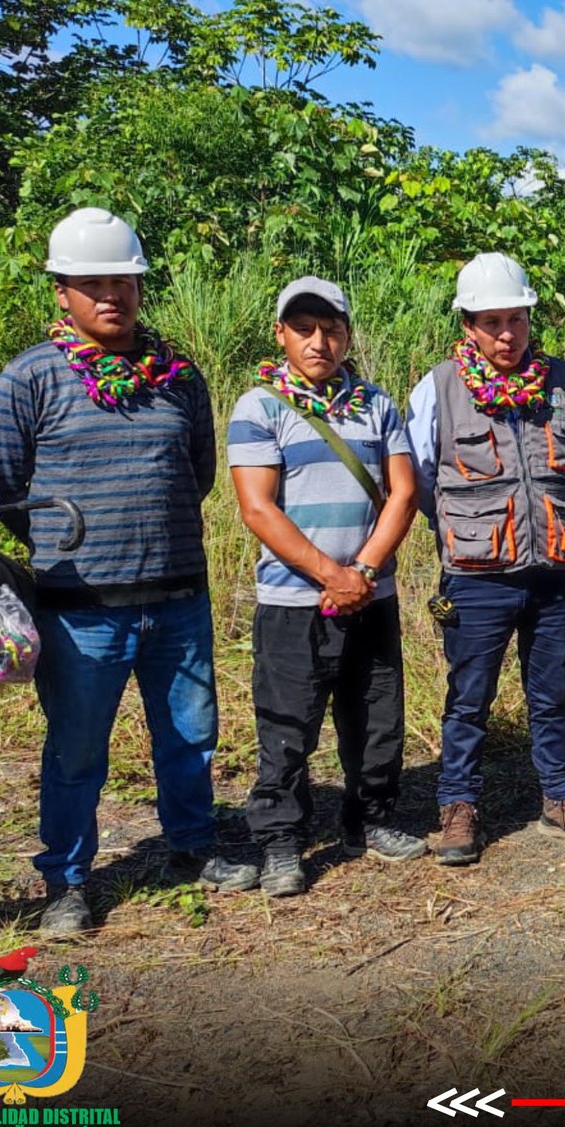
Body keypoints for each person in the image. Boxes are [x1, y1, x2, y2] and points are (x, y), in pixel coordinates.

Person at [0, 207, 255, 935]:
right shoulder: (29, 378)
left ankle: (192, 848)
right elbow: (4, 489)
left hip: (178, 599)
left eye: (124, 280)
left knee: (190, 736)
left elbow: (193, 472)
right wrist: (72, 541)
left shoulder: (180, 376)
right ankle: (67, 881)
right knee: (76, 751)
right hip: (79, 609)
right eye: (91, 282)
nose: (111, 295)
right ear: (61, 291)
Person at [408, 252, 565, 866]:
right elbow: (419, 477)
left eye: (516, 320)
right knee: (468, 698)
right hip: (477, 578)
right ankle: (458, 808)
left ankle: (562, 797)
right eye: (491, 321)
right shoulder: (439, 386)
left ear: (529, 318)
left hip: (554, 570)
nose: (506, 334)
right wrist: (466, 528)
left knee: (550, 694)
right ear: (468, 324)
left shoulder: (562, 380)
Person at [229, 277, 423, 897]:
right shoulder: (258, 408)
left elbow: (404, 493)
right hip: (294, 600)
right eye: (304, 328)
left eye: (331, 328)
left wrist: (362, 572)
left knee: (376, 714)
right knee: (287, 722)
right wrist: (329, 574)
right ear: (281, 333)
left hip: (371, 596)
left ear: (346, 333)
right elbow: (258, 509)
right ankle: (281, 841)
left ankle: (369, 821)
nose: (320, 340)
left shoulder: (377, 403)